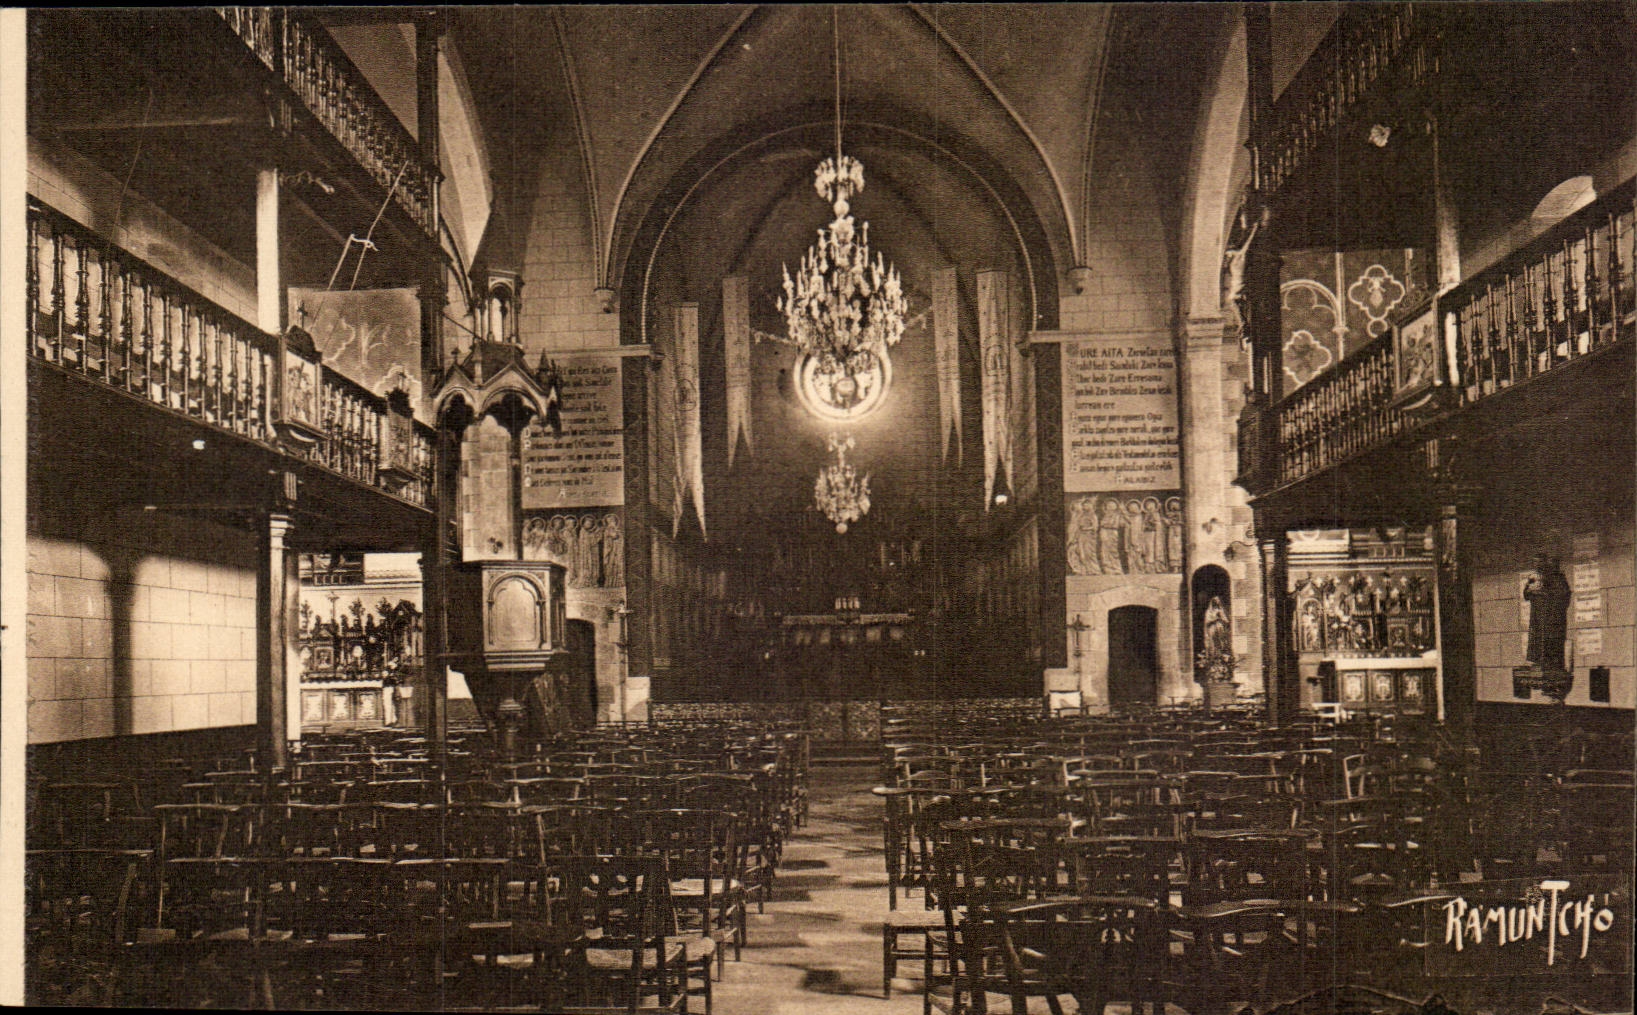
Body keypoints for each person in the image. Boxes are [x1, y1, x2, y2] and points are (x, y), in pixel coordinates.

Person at [1523, 553, 1571, 669]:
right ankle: (1538, 660)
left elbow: (1563, 595)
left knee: (1550, 639)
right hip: (1537, 615)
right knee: (1538, 638)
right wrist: (1531, 590)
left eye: (1540, 562)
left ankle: (1549, 661)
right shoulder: (1534, 577)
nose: (1537, 565)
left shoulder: (1558, 578)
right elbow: (1526, 595)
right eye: (1535, 562)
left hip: (1551, 616)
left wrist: (1542, 593)